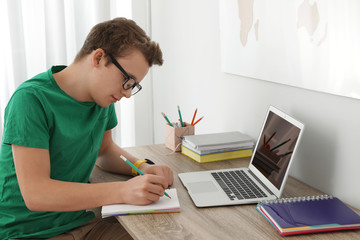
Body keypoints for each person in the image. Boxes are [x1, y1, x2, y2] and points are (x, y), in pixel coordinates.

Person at [0, 17, 173, 239]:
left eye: (133, 85)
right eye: (127, 80)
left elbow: (105, 151)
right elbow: (36, 194)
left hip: (82, 222)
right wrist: (122, 191)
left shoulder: (102, 98)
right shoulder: (31, 100)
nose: (128, 93)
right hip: (29, 232)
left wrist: (143, 167)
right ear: (99, 58)